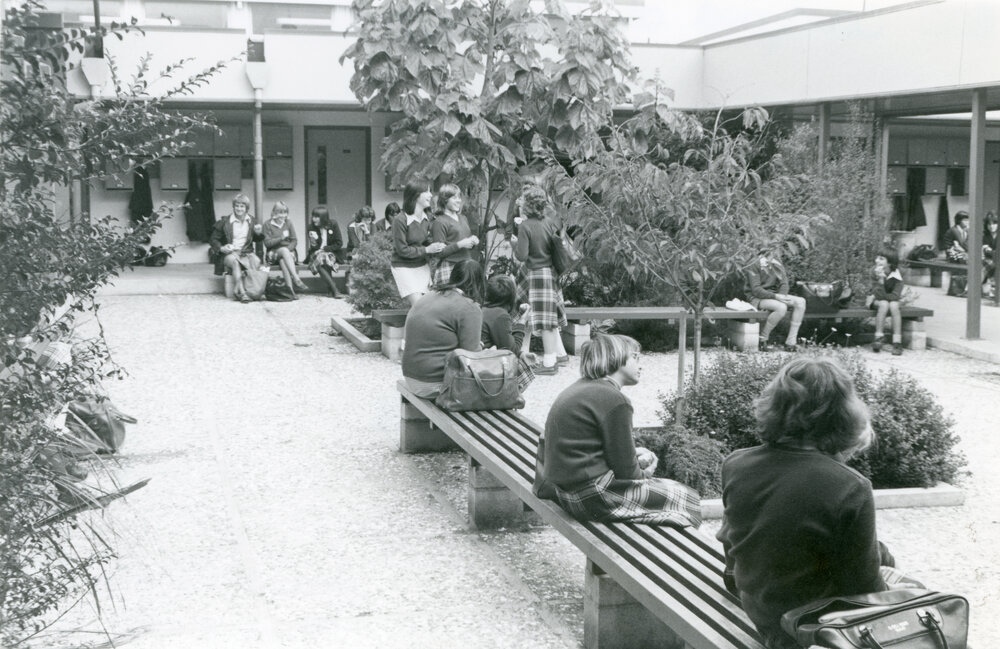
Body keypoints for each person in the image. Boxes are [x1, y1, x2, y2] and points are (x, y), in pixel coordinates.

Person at [717, 357, 921, 649]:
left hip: (760, 609)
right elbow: (864, 591)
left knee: (883, 556)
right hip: (808, 629)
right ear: (843, 414)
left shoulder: (736, 463)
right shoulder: (850, 486)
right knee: (916, 593)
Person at [533, 333, 702, 527]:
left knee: (672, 495)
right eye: (636, 357)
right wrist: (646, 472)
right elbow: (628, 473)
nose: (641, 365)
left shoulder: (580, 388)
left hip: (564, 491)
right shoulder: (615, 400)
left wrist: (632, 457)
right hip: (590, 497)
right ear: (616, 358)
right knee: (686, 497)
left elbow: (593, 447)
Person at [401, 259, 484, 398]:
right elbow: (472, 356)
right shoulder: (469, 307)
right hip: (433, 384)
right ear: (480, 283)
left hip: (411, 377)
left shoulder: (429, 296)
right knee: (498, 386)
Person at [513, 185, 570, 375]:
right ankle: (560, 355)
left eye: (522, 199)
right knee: (550, 316)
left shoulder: (525, 226)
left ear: (528, 205)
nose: (519, 202)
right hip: (550, 272)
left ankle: (549, 363)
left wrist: (514, 242)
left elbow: (521, 256)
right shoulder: (549, 222)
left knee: (545, 320)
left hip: (535, 273)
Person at [390, 182, 446, 307]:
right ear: (416, 195)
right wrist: (427, 250)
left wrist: (438, 246)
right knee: (419, 305)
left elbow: (424, 242)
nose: (431, 195)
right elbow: (402, 250)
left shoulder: (428, 218)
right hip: (403, 267)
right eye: (427, 191)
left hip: (422, 266)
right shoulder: (400, 220)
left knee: (426, 306)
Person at [481, 275, 536, 392]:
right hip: (487, 367)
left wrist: (522, 354)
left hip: (480, 359)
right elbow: (512, 351)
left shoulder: (484, 309)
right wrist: (522, 321)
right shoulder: (500, 315)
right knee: (521, 365)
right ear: (511, 297)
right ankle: (509, 398)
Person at [745, 252, 806, 352]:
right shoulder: (754, 263)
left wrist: (781, 296)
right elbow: (756, 290)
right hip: (756, 298)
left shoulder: (776, 262)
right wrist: (776, 297)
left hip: (774, 296)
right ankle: (763, 339)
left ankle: (791, 342)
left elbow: (784, 283)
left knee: (801, 302)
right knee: (781, 307)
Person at [209, 193, 264, 303]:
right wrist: (222, 248)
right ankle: (242, 293)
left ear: (246, 208)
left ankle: (244, 290)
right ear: (233, 207)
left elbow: (258, 239)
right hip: (230, 253)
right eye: (237, 205)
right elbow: (213, 239)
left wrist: (258, 234)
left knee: (257, 261)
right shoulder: (225, 222)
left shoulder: (252, 221)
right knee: (235, 263)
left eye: (242, 206)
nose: (239, 208)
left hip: (246, 252)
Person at [430, 184, 478, 286]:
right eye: (454, 197)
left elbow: (466, 245)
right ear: (445, 200)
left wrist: (473, 242)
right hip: (450, 267)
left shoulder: (463, 218)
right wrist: (460, 244)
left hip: (466, 266)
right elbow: (439, 253)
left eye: (459, 197)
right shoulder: (440, 221)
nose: (459, 200)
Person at [262, 201, 308, 299]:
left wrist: (288, 251)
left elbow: (294, 240)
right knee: (283, 251)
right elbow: (267, 243)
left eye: (284, 212)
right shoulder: (267, 224)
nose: (282, 215)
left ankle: (290, 291)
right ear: (274, 213)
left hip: (289, 253)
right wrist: (281, 239)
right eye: (279, 212)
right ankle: (296, 278)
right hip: (272, 254)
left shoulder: (288, 223)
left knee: (283, 260)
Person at [868, 250, 904, 355]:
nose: (876, 260)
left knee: (893, 305)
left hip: (892, 301)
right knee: (884, 303)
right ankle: (878, 337)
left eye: (881, 259)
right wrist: (880, 280)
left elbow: (896, 295)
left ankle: (897, 341)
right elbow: (877, 295)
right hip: (874, 300)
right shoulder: (873, 271)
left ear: (890, 263)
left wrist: (887, 298)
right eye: (877, 257)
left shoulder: (898, 273)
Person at [306, 205, 345, 298]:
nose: (314, 219)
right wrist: (313, 240)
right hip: (316, 254)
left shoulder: (333, 224)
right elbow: (314, 247)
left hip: (332, 253)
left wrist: (325, 249)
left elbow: (339, 243)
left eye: (316, 217)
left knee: (322, 258)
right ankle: (335, 290)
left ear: (323, 218)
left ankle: (331, 290)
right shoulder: (311, 227)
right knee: (321, 258)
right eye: (313, 216)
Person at [982, 211, 997, 298]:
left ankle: (968, 288)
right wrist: (992, 252)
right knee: (988, 265)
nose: (991, 226)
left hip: (996, 260)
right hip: (988, 260)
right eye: (989, 224)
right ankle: (993, 290)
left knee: (989, 266)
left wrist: (991, 251)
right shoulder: (985, 236)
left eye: (994, 223)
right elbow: (985, 251)